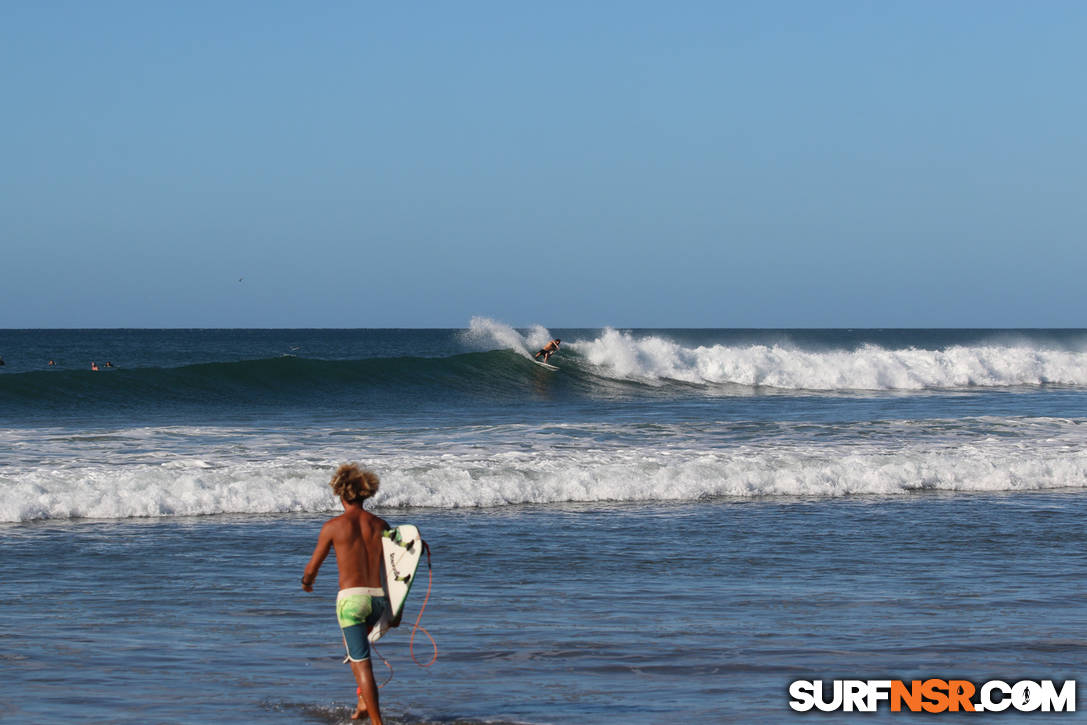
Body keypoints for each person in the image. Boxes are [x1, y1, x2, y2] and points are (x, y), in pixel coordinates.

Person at [302, 464, 394, 723]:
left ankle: (377, 722)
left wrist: (306, 583)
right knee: (356, 651)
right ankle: (363, 701)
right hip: (377, 600)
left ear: (340, 494)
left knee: (362, 661)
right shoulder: (380, 525)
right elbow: (394, 571)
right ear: (365, 494)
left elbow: (312, 567)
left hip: (351, 602)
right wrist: (396, 609)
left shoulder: (333, 526)